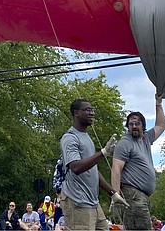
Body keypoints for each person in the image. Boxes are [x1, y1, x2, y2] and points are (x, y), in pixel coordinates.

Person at [58, 98, 123, 231]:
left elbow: (93, 170)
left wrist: (112, 193)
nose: (92, 113)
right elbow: (75, 167)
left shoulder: (86, 137)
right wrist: (103, 153)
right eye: (87, 110)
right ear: (76, 113)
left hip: (93, 202)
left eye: (92, 110)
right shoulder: (70, 138)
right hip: (78, 202)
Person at [111, 94, 165, 231]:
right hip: (133, 195)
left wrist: (158, 104)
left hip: (143, 197)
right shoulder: (125, 142)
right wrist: (115, 194)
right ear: (127, 127)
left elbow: (161, 125)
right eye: (131, 124)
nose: (134, 126)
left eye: (137, 123)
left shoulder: (146, 138)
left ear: (143, 125)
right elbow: (116, 168)